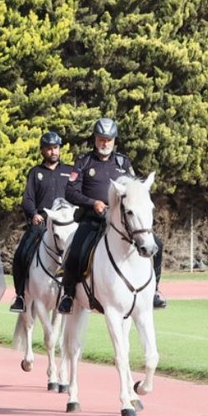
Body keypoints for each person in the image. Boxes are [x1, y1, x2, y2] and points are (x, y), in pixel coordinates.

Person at [58, 118, 167, 314]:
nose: (105, 143)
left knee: (157, 244)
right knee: (76, 249)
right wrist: (93, 203)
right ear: (95, 139)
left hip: (121, 221)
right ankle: (67, 294)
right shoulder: (84, 162)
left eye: (108, 139)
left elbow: (135, 189)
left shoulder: (122, 162)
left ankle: (155, 291)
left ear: (114, 140)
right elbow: (70, 192)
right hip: (92, 218)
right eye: (101, 139)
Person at [10, 132, 74, 313]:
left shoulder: (70, 171)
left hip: (66, 225)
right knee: (21, 254)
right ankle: (20, 296)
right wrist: (33, 214)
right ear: (43, 151)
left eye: (56, 147)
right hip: (42, 223)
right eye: (49, 148)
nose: (53, 151)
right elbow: (28, 199)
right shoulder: (35, 172)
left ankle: (77, 295)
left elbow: (76, 195)